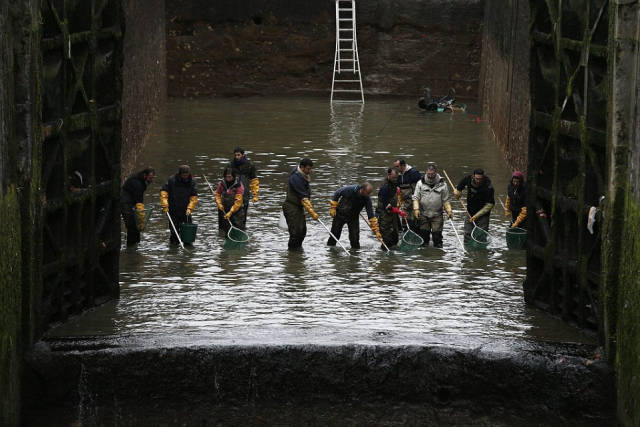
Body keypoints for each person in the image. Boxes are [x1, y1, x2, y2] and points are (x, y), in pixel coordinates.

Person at [327, 182, 381, 249]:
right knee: (334, 235)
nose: (368, 195)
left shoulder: (367, 199)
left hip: (353, 218)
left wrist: (376, 230)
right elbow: (337, 193)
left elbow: (371, 215)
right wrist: (333, 208)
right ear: (362, 190)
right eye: (367, 193)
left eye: (369, 193)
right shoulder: (350, 189)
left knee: (355, 238)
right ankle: (331, 250)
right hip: (340, 214)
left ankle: (355, 255)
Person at [412, 164, 452, 248]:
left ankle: (438, 254)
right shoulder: (420, 183)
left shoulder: (443, 184)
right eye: (428, 174)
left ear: (436, 173)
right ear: (426, 172)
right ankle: (424, 255)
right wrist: (416, 209)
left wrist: (449, 211)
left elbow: (446, 200)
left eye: (432, 174)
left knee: (437, 237)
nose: (430, 176)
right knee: (423, 237)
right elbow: (415, 198)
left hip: (437, 215)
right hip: (423, 214)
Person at [282, 158, 318, 250]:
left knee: (302, 231)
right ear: (302, 167)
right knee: (295, 233)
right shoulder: (296, 178)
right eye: (308, 169)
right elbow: (304, 198)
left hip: (298, 207)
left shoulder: (300, 172)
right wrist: (312, 212)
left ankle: (298, 252)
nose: (310, 171)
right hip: (291, 207)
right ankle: (292, 255)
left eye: (310, 169)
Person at [453, 168, 495, 243]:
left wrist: (477, 215)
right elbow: (460, 187)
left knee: (481, 236)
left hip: (483, 215)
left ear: (483, 177)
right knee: (467, 234)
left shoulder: (488, 186)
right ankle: (467, 251)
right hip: (469, 212)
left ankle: (480, 253)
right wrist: (457, 193)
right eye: (476, 179)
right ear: (473, 176)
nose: (478, 181)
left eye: (480, 179)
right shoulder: (468, 179)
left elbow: (490, 204)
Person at [160, 165, 198, 245]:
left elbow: (193, 197)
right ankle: (174, 246)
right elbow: (164, 192)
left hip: (186, 210)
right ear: (180, 173)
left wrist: (190, 208)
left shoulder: (192, 181)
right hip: (173, 209)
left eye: (186, 175)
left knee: (188, 233)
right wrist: (165, 204)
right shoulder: (171, 180)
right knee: (174, 232)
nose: (185, 176)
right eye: (183, 175)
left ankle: (188, 245)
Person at [120, 167, 155, 246]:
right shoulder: (137, 183)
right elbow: (139, 199)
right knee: (131, 224)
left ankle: (136, 244)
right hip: (125, 202)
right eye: (150, 178)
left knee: (135, 224)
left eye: (152, 178)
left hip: (132, 201)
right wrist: (141, 213)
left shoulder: (141, 180)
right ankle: (131, 246)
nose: (151, 180)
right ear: (144, 175)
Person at [376, 167, 406, 249]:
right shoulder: (385, 187)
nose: (395, 179)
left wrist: (398, 192)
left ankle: (393, 259)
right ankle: (384, 257)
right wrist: (398, 211)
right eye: (393, 178)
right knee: (387, 240)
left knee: (395, 237)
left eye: (396, 177)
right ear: (388, 175)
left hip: (393, 216)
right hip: (384, 216)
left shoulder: (395, 183)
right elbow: (387, 205)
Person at [229, 147, 259, 223]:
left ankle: (242, 228)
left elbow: (254, 181)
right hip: (232, 194)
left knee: (243, 215)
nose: (237, 157)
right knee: (232, 214)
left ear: (243, 155)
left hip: (245, 193)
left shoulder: (249, 165)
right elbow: (226, 180)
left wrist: (255, 194)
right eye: (235, 155)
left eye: (238, 155)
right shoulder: (230, 165)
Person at [214, 167, 245, 233]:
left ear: (233, 176)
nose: (228, 178)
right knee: (223, 230)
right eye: (226, 177)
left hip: (236, 212)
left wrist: (231, 212)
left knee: (237, 230)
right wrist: (219, 204)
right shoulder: (221, 184)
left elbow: (238, 202)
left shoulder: (239, 185)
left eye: (229, 177)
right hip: (223, 210)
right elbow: (217, 194)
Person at [393, 159, 422, 225]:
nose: (395, 169)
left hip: (415, 202)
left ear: (403, 166)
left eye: (397, 166)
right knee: (405, 222)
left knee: (415, 222)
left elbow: (421, 187)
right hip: (405, 203)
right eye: (395, 167)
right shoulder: (397, 175)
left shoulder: (414, 173)